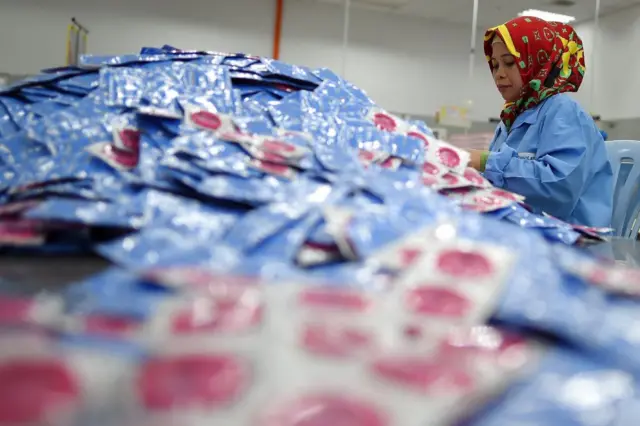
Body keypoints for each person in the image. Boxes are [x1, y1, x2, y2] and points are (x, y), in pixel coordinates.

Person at [469, 16, 613, 228]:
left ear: (538, 61)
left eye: (509, 62)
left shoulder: (562, 110)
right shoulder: (511, 118)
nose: (499, 74)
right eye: (495, 65)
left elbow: (559, 188)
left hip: (572, 242)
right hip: (525, 232)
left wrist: (485, 162)